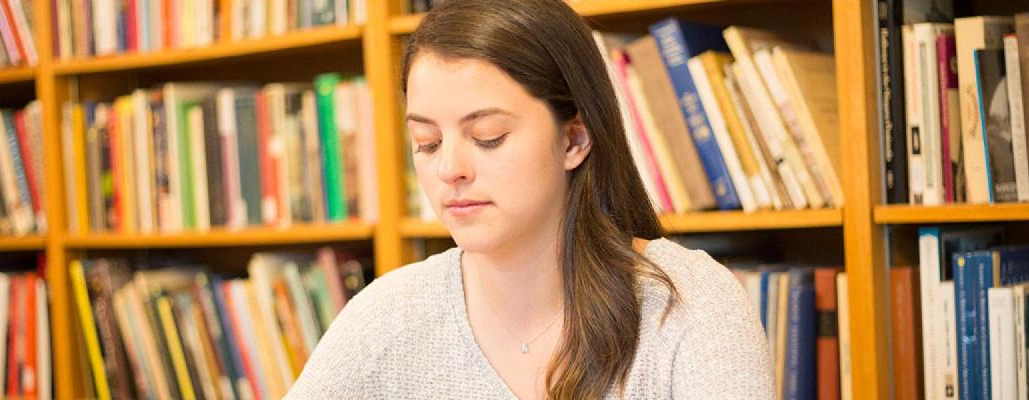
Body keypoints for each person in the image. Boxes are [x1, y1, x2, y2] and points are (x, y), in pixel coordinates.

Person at [288, 0, 770, 398]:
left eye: (489, 136)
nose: (449, 168)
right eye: (428, 142)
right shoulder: (388, 317)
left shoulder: (689, 304)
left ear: (574, 140)